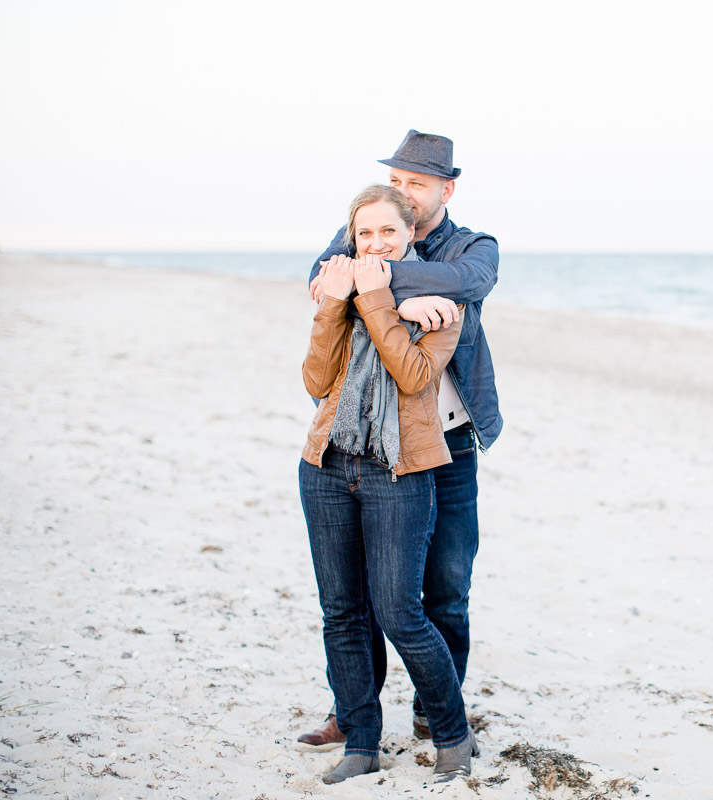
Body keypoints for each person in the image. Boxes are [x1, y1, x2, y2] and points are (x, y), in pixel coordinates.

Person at [298, 130, 502, 748]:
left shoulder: (473, 244)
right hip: (377, 441)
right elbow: (321, 278)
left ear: (446, 189)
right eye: (398, 181)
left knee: (443, 584)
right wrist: (406, 299)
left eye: (417, 184)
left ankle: (433, 709)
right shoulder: (372, 225)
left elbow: (467, 283)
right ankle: (352, 710)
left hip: (449, 439)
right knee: (357, 593)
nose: (404, 194)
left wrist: (378, 284)